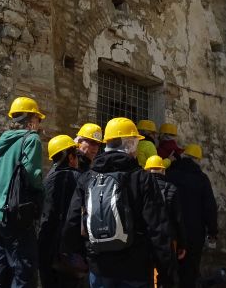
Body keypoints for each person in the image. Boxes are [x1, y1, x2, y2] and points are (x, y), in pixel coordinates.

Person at [63, 117, 175, 288]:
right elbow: (158, 228)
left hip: (99, 268)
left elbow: (72, 222)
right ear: (129, 144)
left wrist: (84, 257)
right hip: (135, 268)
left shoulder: (87, 178)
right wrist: (166, 274)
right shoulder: (143, 179)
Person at [0, 96, 46, 288]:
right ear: (30, 120)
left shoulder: (0, 144)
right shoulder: (32, 140)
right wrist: (40, 193)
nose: (38, 124)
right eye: (38, 119)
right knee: (23, 274)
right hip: (17, 216)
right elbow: (33, 174)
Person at [40, 135, 89, 287]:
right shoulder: (79, 178)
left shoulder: (47, 180)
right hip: (70, 250)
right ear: (71, 157)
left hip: (45, 247)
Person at [166, 143, 218, 288]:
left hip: (172, 231)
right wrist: (212, 230)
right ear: (198, 160)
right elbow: (210, 207)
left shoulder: (170, 174)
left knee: (169, 270)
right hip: (195, 233)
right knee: (190, 271)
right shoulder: (201, 178)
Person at [146, 156, 184, 287]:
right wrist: (182, 244)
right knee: (167, 275)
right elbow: (178, 219)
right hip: (167, 239)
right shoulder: (172, 188)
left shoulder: (141, 188)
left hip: (147, 238)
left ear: (147, 170)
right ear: (163, 171)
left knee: (147, 274)